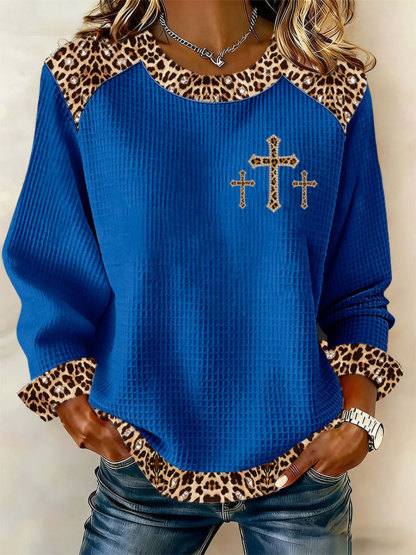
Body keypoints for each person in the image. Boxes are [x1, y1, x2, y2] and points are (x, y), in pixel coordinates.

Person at [2, 1, 404, 553]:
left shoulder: (329, 86)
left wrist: (359, 417)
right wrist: (67, 391)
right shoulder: (86, 79)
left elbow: (357, 286)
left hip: (303, 459)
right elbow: (50, 257)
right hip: (141, 452)